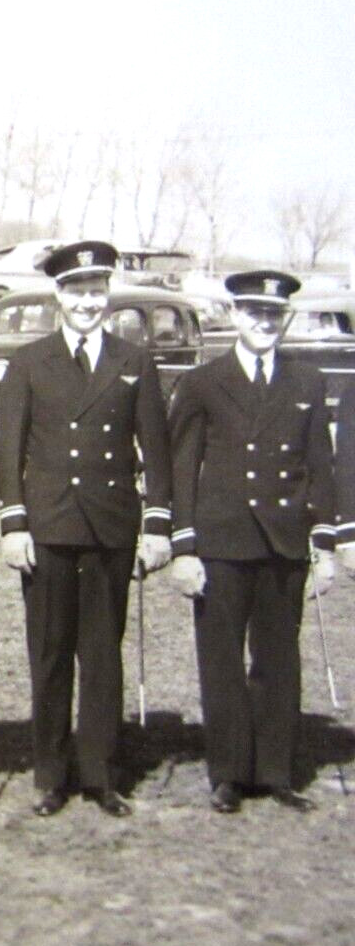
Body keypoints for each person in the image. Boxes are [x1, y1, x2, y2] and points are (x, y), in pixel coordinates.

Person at [0, 240, 172, 818]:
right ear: (58, 295)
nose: (88, 303)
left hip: (111, 526)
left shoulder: (134, 361)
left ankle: (100, 773)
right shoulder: (28, 362)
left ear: (107, 297)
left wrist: (156, 526)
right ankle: (50, 774)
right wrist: (15, 523)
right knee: (49, 653)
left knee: (102, 653)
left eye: (97, 292)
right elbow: (9, 451)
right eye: (77, 292)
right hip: (47, 527)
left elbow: (156, 449)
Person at [170, 270, 333, 814]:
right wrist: (185, 546)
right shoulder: (201, 382)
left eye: (274, 315)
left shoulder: (308, 382)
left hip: (284, 543)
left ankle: (276, 771)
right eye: (255, 313)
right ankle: (229, 774)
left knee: (278, 659)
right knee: (221, 660)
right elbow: (182, 466)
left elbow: (320, 469)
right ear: (235, 316)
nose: (265, 323)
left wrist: (325, 544)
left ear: (282, 320)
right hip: (221, 542)